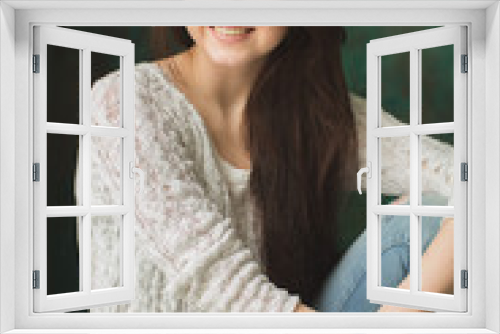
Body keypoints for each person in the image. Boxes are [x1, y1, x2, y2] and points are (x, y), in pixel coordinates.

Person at [88, 26, 454, 313]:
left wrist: (403, 313)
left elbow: (472, 179)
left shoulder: (311, 112)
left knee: (427, 214)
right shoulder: (124, 103)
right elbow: (217, 280)